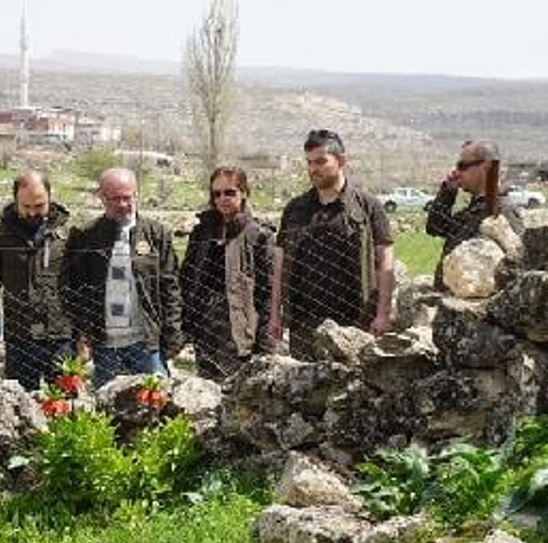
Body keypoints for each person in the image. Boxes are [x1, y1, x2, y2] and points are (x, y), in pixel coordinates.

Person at [271, 129, 395, 360]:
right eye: (309, 162)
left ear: (341, 161)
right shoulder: (295, 209)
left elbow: (385, 262)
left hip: (354, 322)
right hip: (304, 322)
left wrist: (383, 314)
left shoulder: (368, 207)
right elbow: (279, 265)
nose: (312, 169)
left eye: (320, 161)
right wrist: (275, 315)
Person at [60, 167, 183, 388]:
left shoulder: (157, 234)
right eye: (114, 198)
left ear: (136, 195)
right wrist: (81, 334)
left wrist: (173, 335)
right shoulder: (85, 236)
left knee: (156, 403)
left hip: (146, 342)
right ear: (101, 198)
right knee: (107, 411)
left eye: (127, 197)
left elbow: (171, 288)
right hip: (104, 343)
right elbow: (72, 290)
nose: (122, 204)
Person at [0, 170, 73, 390]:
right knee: (20, 406)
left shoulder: (68, 234)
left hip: (61, 337)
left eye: (39, 206)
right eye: (25, 207)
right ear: (16, 201)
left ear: (49, 197)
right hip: (20, 338)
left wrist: (85, 336)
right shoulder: (0, 236)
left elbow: (82, 287)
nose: (32, 213)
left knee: (66, 407)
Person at [180, 166, 277, 379]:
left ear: (244, 193)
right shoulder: (202, 232)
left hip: (240, 329)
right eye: (217, 193)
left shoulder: (259, 235)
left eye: (230, 192)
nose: (223, 198)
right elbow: (186, 279)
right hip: (204, 325)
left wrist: (266, 342)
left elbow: (268, 292)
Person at [425, 139, 525, 290]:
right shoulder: (474, 209)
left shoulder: (502, 211)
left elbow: (515, 264)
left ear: (485, 167)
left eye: (463, 166)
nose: (457, 172)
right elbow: (435, 227)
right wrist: (448, 191)